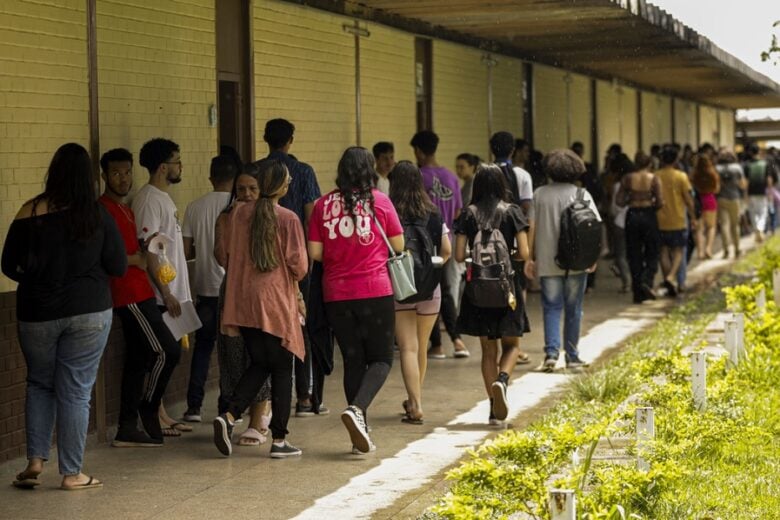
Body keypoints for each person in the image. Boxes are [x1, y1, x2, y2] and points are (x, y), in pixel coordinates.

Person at [2, 143, 126, 490]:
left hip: (37, 312)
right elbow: (117, 265)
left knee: (40, 383)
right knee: (75, 391)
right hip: (89, 311)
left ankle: (36, 461)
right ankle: (72, 473)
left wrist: (39, 278)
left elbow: (7, 264)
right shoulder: (97, 214)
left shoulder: (30, 211)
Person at [308, 146, 404, 454]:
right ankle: (358, 410)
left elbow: (315, 254)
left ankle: (357, 431)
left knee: (353, 360)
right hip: (374, 290)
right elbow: (398, 244)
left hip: (336, 294)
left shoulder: (323, 205)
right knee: (382, 359)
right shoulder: (380, 201)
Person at [213, 159, 307, 459]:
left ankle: (229, 416)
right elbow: (299, 266)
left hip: (243, 300)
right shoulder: (288, 218)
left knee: (261, 363)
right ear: (280, 186)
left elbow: (225, 254)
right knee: (281, 369)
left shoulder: (238, 213)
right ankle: (279, 439)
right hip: (275, 302)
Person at [98, 148, 181, 447]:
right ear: (104, 175)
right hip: (127, 294)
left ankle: (126, 428)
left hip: (143, 289)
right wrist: (138, 259)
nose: (123, 179)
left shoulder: (126, 209)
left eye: (127, 172)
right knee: (168, 351)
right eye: (116, 173)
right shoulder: (103, 209)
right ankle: (149, 406)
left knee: (139, 358)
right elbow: (107, 255)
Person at [454, 163, 530, 425]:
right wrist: (507, 256)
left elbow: (457, 255)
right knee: (512, 345)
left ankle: (492, 410)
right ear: (501, 184)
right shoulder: (512, 212)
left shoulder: (468, 214)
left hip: (478, 291)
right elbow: (525, 252)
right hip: (506, 289)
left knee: (488, 351)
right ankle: (503, 381)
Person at [131, 138, 194, 436]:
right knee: (162, 355)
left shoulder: (164, 197)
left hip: (174, 290)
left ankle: (162, 412)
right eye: (176, 160)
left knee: (170, 355)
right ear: (162, 166)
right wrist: (166, 292)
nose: (180, 166)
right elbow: (152, 248)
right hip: (159, 294)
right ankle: (152, 411)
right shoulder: (148, 199)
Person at [262, 118, 324, 416]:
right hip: (298, 259)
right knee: (301, 325)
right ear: (290, 140)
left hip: (262, 262)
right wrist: (310, 258)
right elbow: (312, 216)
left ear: (266, 139)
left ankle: (267, 401)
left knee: (266, 329)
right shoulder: (303, 171)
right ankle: (304, 397)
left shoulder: (256, 170)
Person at [525, 149, 600, 372]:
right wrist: (592, 257)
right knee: (574, 308)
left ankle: (551, 353)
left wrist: (530, 257)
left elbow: (532, 228)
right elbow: (594, 228)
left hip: (548, 262)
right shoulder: (582, 195)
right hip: (577, 262)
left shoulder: (539, 194)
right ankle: (572, 356)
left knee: (551, 307)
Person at [388, 161, 452, 425]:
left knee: (407, 348)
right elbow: (446, 250)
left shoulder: (390, 212)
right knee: (421, 347)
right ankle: (416, 399)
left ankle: (414, 404)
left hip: (400, 288)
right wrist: (429, 271)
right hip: (429, 290)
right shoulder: (433, 213)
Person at [214, 163, 272, 447]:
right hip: (233, 292)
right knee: (234, 356)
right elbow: (221, 257)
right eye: (241, 189)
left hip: (263, 295)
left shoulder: (272, 217)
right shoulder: (226, 217)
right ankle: (236, 410)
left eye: (253, 189)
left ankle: (259, 419)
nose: (247, 194)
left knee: (259, 354)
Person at [181, 155, 238, 423]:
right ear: (235, 179)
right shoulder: (237, 205)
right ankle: (225, 407)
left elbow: (186, 251)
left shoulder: (194, 207)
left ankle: (193, 407)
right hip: (233, 291)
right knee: (230, 351)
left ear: (210, 178)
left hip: (204, 289)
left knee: (202, 348)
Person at [410, 130, 468, 358]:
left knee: (428, 293)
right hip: (447, 241)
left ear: (420, 152)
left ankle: (438, 344)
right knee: (445, 291)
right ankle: (457, 340)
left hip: (424, 243)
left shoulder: (419, 177)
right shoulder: (451, 177)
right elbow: (457, 212)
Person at [616, 152, 663, 303]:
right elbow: (660, 202)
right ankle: (647, 280)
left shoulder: (628, 178)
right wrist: (651, 203)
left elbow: (619, 201)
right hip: (649, 214)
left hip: (633, 215)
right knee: (653, 250)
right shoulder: (654, 179)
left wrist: (631, 198)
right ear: (649, 164)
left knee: (633, 253)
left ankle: (637, 292)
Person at [655, 145, 696, 297]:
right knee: (678, 251)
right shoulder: (681, 176)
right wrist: (693, 217)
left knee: (663, 251)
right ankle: (672, 277)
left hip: (660, 219)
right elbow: (688, 199)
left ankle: (668, 281)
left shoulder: (656, 175)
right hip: (678, 219)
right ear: (676, 159)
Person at [607, 153, 635, 294]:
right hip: (635, 221)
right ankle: (637, 280)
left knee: (621, 254)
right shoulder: (638, 183)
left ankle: (627, 282)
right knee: (634, 253)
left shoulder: (618, 185)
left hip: (620, 222)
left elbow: (614, 207)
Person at [691, 156, 721, 260]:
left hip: (698, 200)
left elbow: (691, 187)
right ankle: (708, 248)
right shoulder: (713, 174)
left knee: (700, 229)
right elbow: (717, 189)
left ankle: (700, 252)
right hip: (710, 199)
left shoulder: (694, 174)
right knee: (711, 227)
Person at [744, 144, 771, 243]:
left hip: (751, 192)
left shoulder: (747, 165)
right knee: (763, 212)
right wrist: (770, 192)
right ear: (759, 152)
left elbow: (746, 181)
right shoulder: (765, 164)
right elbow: (768, 179)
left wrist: (745, 194)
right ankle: (760, 228)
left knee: (752, 212)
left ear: (750, 153)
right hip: (762, 191)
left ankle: (757, 231)